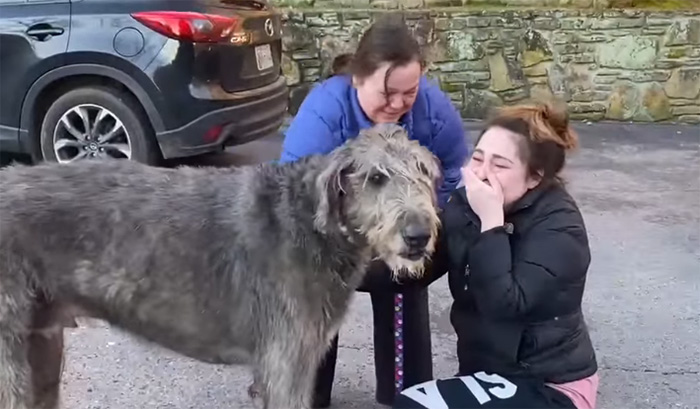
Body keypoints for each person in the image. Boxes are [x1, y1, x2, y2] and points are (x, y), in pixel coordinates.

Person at [278, 15, 470, 408]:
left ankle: (406, 394)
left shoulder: (432, 108)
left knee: (404, 273)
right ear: (358, 78)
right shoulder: (324, 114)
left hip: (405, 233)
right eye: (388, 92)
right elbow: (290, 193)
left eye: (410, 92)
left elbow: (456, 167)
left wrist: (428, 206)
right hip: (334, 234)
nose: (399, 104)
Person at [393, 102, 599, 409]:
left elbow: (505, 305)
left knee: (417, 406)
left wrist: (492, 224)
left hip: (550, 385)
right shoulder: (465, 206)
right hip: (489, 377)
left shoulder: (560, 226)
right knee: (412, 401)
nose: (482, 175)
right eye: (477, 159)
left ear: (535, 177)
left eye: (500, 165)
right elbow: (418, 269)